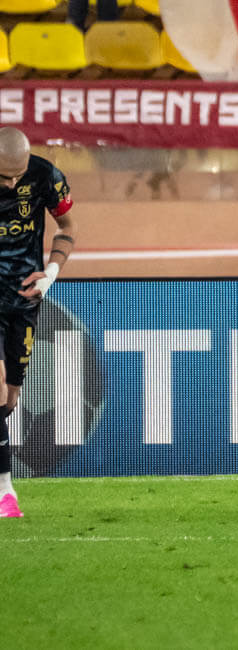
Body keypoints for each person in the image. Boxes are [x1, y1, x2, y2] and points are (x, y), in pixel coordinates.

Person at [0, 127, 77, 518]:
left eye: (17, 176)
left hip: (24, 300)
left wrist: (50, 274)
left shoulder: (46, 176)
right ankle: (5, 492)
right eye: (4, 177)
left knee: (10, 399)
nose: (12, 184)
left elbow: (68, 229)